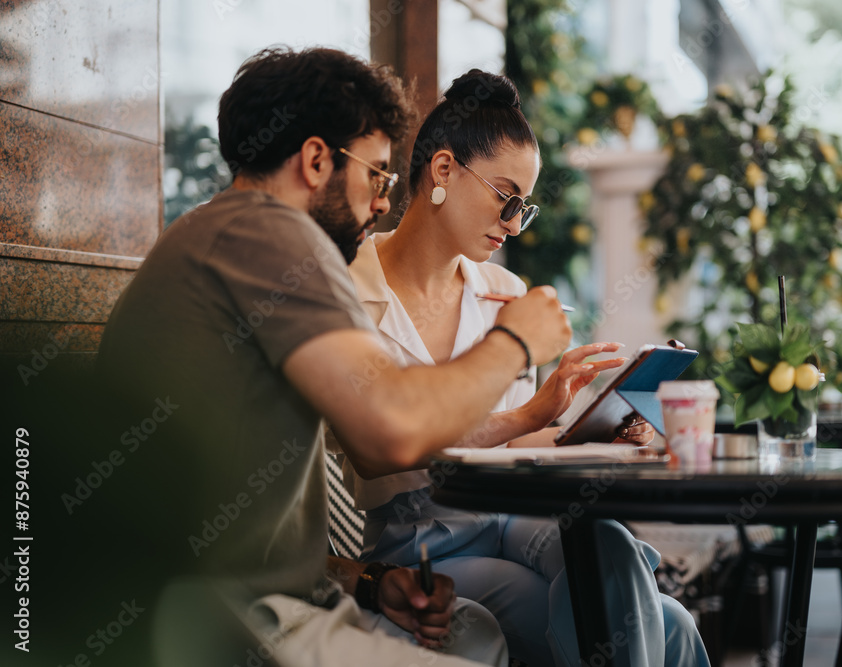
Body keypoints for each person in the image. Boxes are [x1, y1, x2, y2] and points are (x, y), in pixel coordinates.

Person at [97, 47, 573, 667]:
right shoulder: (266, 232)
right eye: (376, 175)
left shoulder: (222, 234)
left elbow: (244, 540)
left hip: (250, 597)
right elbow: (388, 433)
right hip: (210, 618)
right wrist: (515, 342)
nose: (381, 203)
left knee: (477, 632)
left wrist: (368, 581)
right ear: (317, 160)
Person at [340, 69, 710, 667]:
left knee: (612, 546)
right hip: (422, 538)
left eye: (524, 207)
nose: (514, 223)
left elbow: (512, 442)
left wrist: (590, 431)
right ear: (442, 170)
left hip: (514, 516)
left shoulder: (505, 293)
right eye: (506, 198)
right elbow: (382, 448)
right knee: (661, 623)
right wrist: (531, 414)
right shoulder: (349, 289)